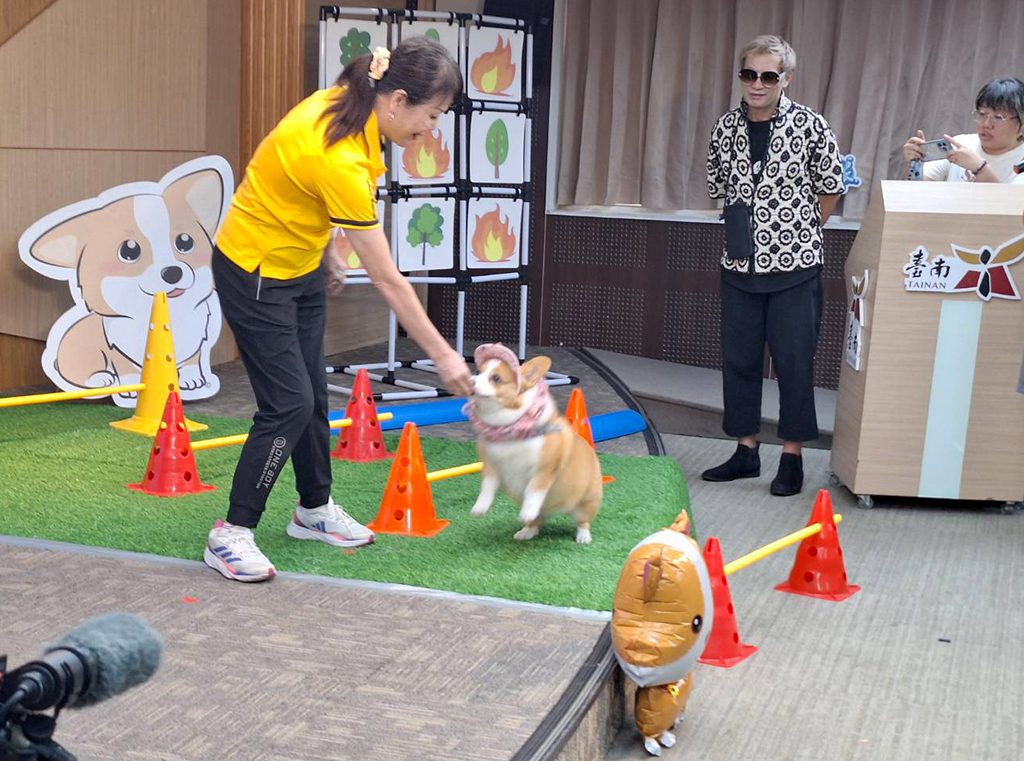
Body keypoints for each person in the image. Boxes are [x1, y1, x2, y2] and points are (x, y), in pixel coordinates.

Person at [204, 39, 473, 582]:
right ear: (397, 100)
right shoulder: (339, 155)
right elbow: (390, 281)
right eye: (432, 114)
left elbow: (299, 189)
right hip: (255, 272)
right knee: (288, 403)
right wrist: (445, 357)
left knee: (311, 393)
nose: (432, 128)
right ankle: (231, 533)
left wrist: (328, 248)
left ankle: (314, 509)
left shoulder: (354, 111)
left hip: (299, 263)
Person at [704, 35, 844, 497]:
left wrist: (801, 230)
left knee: (793, 364)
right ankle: (745, 452)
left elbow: (831, 187)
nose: (757, 84)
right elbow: (718, 186)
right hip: (739, 266)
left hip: (795, 268)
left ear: (786, 79)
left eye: (768, 75)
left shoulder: (810, 125)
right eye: (749, 74)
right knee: (739, 361)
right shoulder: (724, 128)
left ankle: (792, 457)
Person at [902, 78, 1024, 184]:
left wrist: (980, 169)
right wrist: (914, 163)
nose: (986, 124)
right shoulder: (961, 144)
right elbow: (916, 191)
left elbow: (1007, 203)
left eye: (998, 117)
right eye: (982, 114)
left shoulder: (1021, 160)